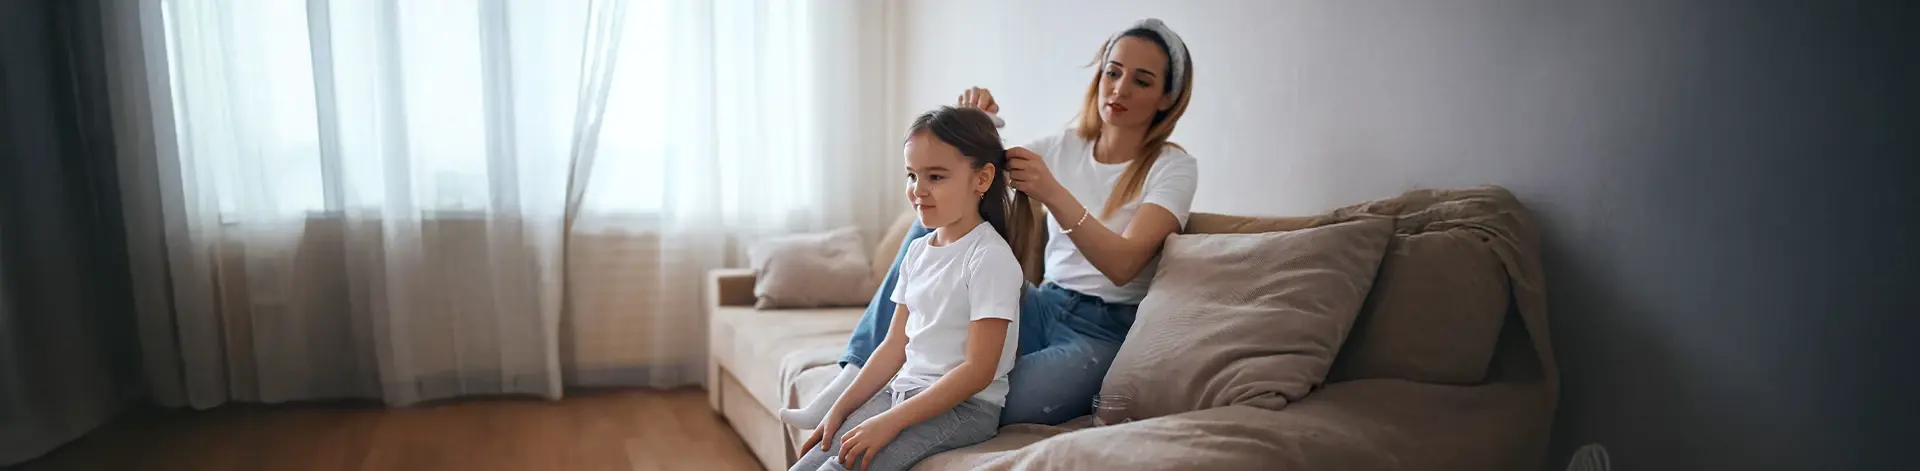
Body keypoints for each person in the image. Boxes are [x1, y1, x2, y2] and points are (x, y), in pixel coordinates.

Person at [782, 17, 1198, 428]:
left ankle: (886, 405)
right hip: (1041, 302)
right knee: (934, 218)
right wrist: (977, 122)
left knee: (985, 405)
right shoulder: (1064, 146)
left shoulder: (1172, 167)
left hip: (1102, 331)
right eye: (1113, 72)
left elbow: (1124, 265)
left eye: (1141, 81)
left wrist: (1054, 193)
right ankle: (850, 378)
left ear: (1167, 97)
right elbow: (976, 172)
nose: (1120, 88)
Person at [789, 106, 1026, 471]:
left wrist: (890, 421)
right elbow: (893, 345)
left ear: (982, 179)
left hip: (965, 408)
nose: (918, 190)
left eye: (935, 176)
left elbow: (978, 371)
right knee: (807, 465)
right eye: (912, 175)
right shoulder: (918, 251)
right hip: (902, 391)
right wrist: (839, 410)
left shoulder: (990, 258)